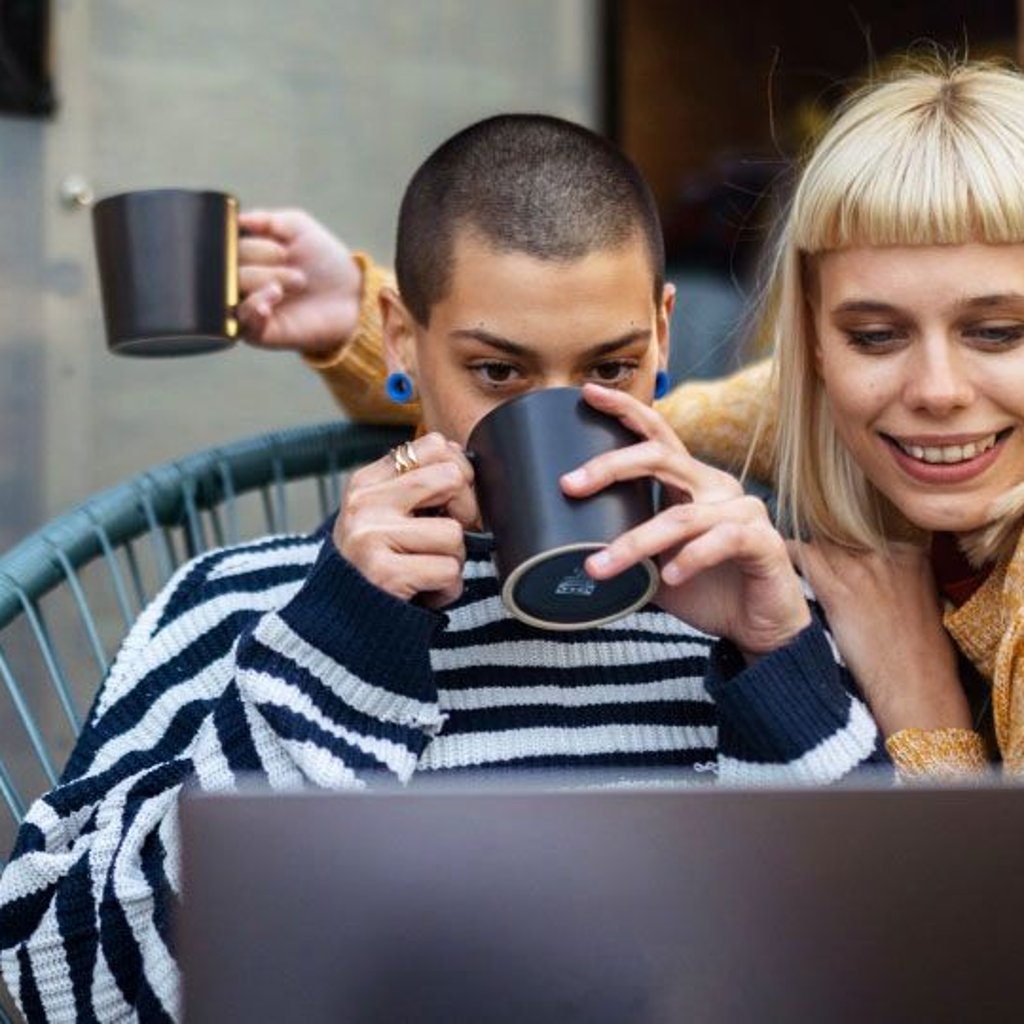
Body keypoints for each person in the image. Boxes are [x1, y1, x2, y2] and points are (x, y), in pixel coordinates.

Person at [0, 114, 884, 1022]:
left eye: (612, 368)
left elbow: (880, 975)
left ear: (662, 336)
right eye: (497, 372)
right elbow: (66, 993)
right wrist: (338, 650)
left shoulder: (764, 606)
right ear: (400, 339)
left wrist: (779, 667)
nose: (561, 434)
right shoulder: (241, 605)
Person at [236, 58, 1024, 777]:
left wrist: (920, 703)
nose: (938, 391)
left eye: (998, 331)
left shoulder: (803, 622)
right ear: (814, 348)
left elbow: (932, 897)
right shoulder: (794, 415)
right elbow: (619, 412)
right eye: (875, 336)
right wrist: (379, 333)